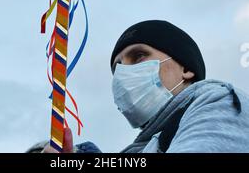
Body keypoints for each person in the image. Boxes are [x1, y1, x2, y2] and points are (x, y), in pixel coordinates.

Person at [28, 20, 249, 154]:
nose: (125, 74)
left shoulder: (219, 102)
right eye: (118, 68)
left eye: (139, 55)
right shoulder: (146, 145)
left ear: (186, 68)